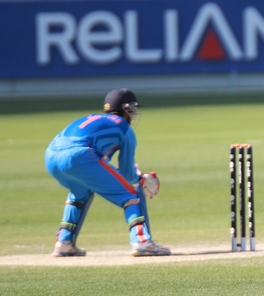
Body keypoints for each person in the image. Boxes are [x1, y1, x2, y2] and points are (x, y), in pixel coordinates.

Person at [45, 89, 170, 258]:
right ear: (126, 110)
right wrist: (139, 177)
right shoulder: (124, 128)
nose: (133, 115)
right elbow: (127, 175)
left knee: (80, 193)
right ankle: (141, 241)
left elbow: (99, 166)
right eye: (132, 109)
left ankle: (64, 242)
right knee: (130, 194)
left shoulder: (91, 118)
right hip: (79, 156)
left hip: (51, 156)